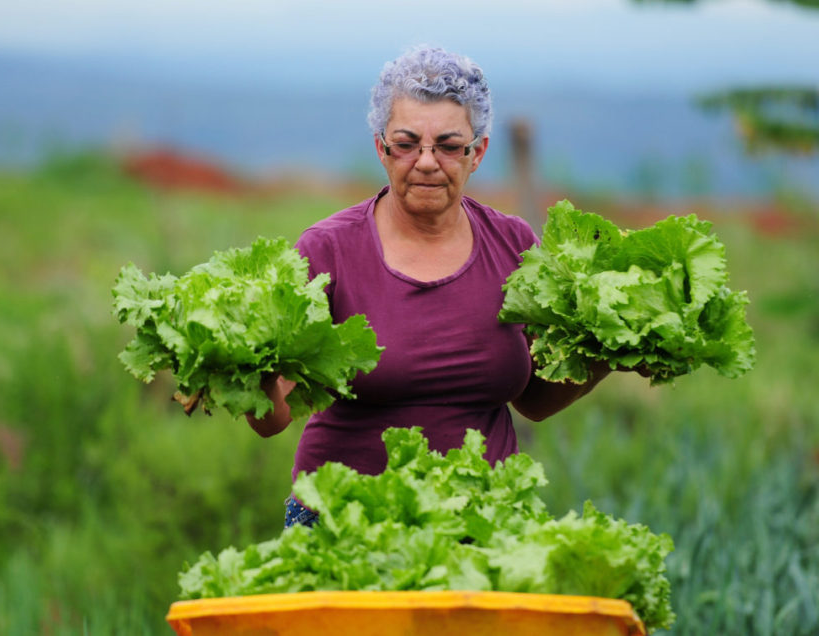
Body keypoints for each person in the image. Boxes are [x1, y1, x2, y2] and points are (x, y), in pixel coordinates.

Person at [247, 45, 615, 528]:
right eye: (406, 143)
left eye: (447, 145)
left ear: (477, 152)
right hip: (344, 521)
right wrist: (244, 364)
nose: (426, 162)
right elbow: (272, 419)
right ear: (381, 147)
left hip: (483, 521)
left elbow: (535, 400)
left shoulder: (514, 245)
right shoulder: (328, 251)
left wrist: (611, 350)